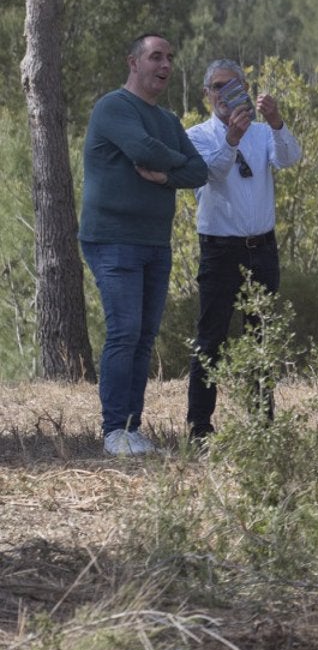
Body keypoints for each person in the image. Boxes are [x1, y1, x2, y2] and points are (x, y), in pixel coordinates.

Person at [80, 33, 209, 456]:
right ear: (133, 62)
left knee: (143, 336)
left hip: (155, 242)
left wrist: (167, 173)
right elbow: (140, 147)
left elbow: (200, 171)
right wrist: (175, 159)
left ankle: (132, 429)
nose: (165, 65)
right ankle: (114, 430)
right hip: (112, 240)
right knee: (124, 332)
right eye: (156, 56)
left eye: (170, 58)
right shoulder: (113, 107)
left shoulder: (169, 120)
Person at [184, 59, 303, 439]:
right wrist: (231, 139)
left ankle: (262, 426)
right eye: (218, 87)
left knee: (261, 337)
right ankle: (200, 428)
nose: (225, 94)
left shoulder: (263, 133)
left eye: (233, 86)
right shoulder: (198, 135)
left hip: (261, 248)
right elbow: (210, 174)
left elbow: (289, 159)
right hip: (220, 249)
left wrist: (277, 121)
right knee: (211, 338)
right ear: (207, 94)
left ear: (246, 89)